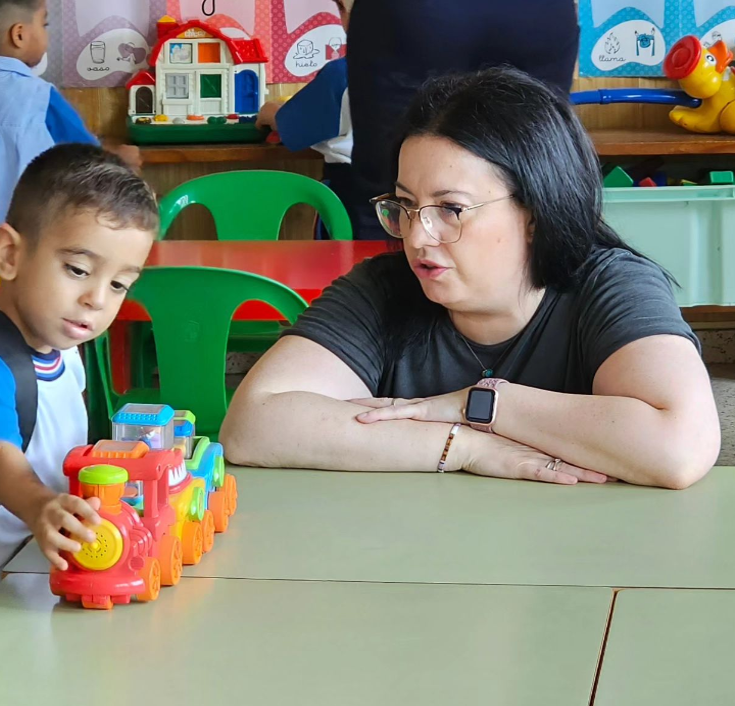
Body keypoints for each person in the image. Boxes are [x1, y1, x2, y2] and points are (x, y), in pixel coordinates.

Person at [220, 67, 720, 490]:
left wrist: (480, 404)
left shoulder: (611, 285)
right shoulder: (383, 288)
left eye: (451, 209)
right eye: (407, 205)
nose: (417, 237)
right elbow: (252, 424)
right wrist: (465, 445)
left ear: (536, 212)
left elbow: (680, 446)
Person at [0, 144, 158, 655]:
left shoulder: (62, 345)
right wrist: (40, 507)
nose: (97, 299)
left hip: (21, 586)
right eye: (78, 269)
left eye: (119, 284)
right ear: (10, 253)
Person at [346, 0, 580, 239]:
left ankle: (392, 274)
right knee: (539, 180)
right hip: (541, 12)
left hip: (417, 13)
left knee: (391, 188)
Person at [0, 0, 141, 273]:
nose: (46, 34)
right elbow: (89, 154)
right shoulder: (38, 96)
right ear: (19, 34)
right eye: (43, 24)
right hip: (16, 252)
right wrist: (123, 157)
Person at [256, 0, 354, 232]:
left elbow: (290, 124)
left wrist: (269, 112)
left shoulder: (342, 75)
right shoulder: (424, 67)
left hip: (352, 200)